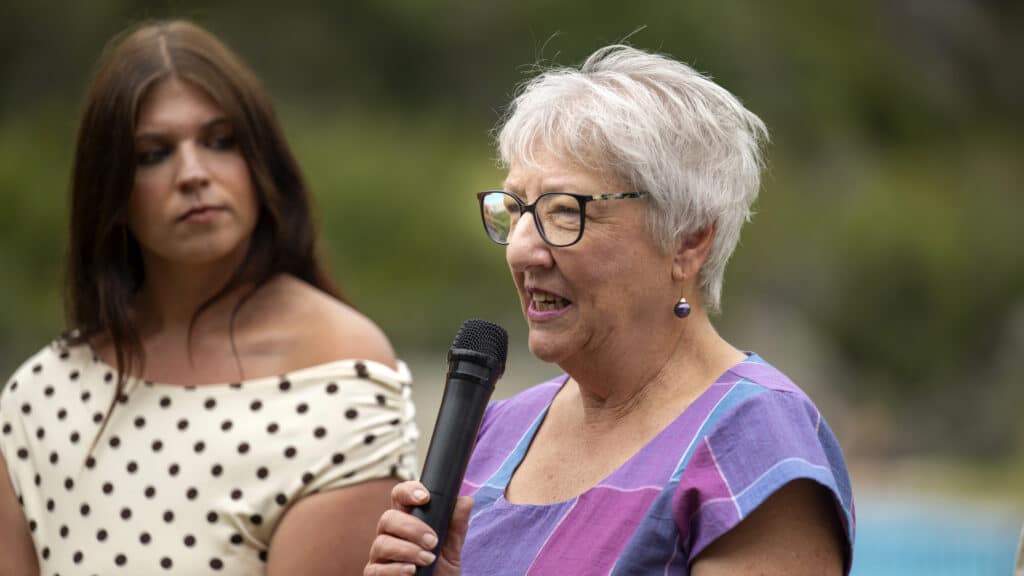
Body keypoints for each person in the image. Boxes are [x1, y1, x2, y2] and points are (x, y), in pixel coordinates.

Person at [366, 45, 855, 575]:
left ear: (689, 239)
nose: (522, 249)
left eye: (564, 211)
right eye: (516, 211)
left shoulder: (754, 441)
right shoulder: (495, 430)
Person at [0, 19, 417, 575]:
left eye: (220, 142)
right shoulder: (40, 398)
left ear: (259, 160)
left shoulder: (339, 370)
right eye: (154, 154)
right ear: (112, 186)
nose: (193, 174)